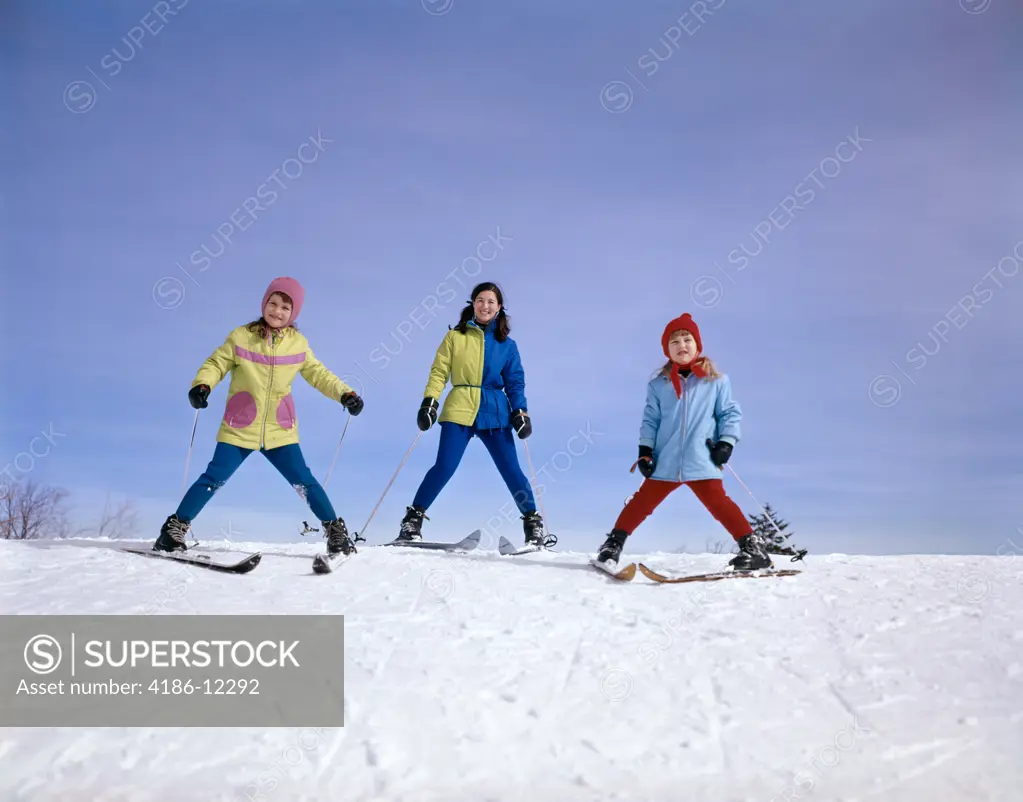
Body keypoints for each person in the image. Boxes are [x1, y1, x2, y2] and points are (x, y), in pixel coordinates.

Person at [153, 277, 364, 557]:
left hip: (280, 429)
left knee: (304, 481)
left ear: (294, 313)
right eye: (272, 303)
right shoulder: (241, 337)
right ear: (264, 303)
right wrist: (202, 385)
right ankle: (173, 530)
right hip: (240, 426)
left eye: (285, 308)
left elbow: (319, 374)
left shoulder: (298, 344)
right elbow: (217, 363)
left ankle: (335, 532)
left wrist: (345, 394)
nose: (277, 311)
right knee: (213, 477)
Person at [595, 312, 772, 571]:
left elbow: (729, 413)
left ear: (697, 345)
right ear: (667, 349)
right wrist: (645, 451)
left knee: (719, 503)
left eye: (687, 339)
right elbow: (651, 420)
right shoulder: (659, 384)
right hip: (666, 458)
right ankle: (613, 545)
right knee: (641, 503)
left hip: (702, 456)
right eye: (674, 342)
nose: (682, 346)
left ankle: (753, 549)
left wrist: (726, 442)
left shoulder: (716, 381)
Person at [397, 281, 550, 547]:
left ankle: (533, 524)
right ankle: (413, 520)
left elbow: (515, 381)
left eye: (491, 301)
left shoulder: (507, 345)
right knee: (444, 466)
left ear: (499, 307)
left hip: (495, 410)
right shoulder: (455, 337)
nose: (485, 305)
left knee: (511, 469)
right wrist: (430, 402)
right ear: (473, 304)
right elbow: (439, 372)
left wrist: (520, 411)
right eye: (480, 300)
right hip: (459, 407)